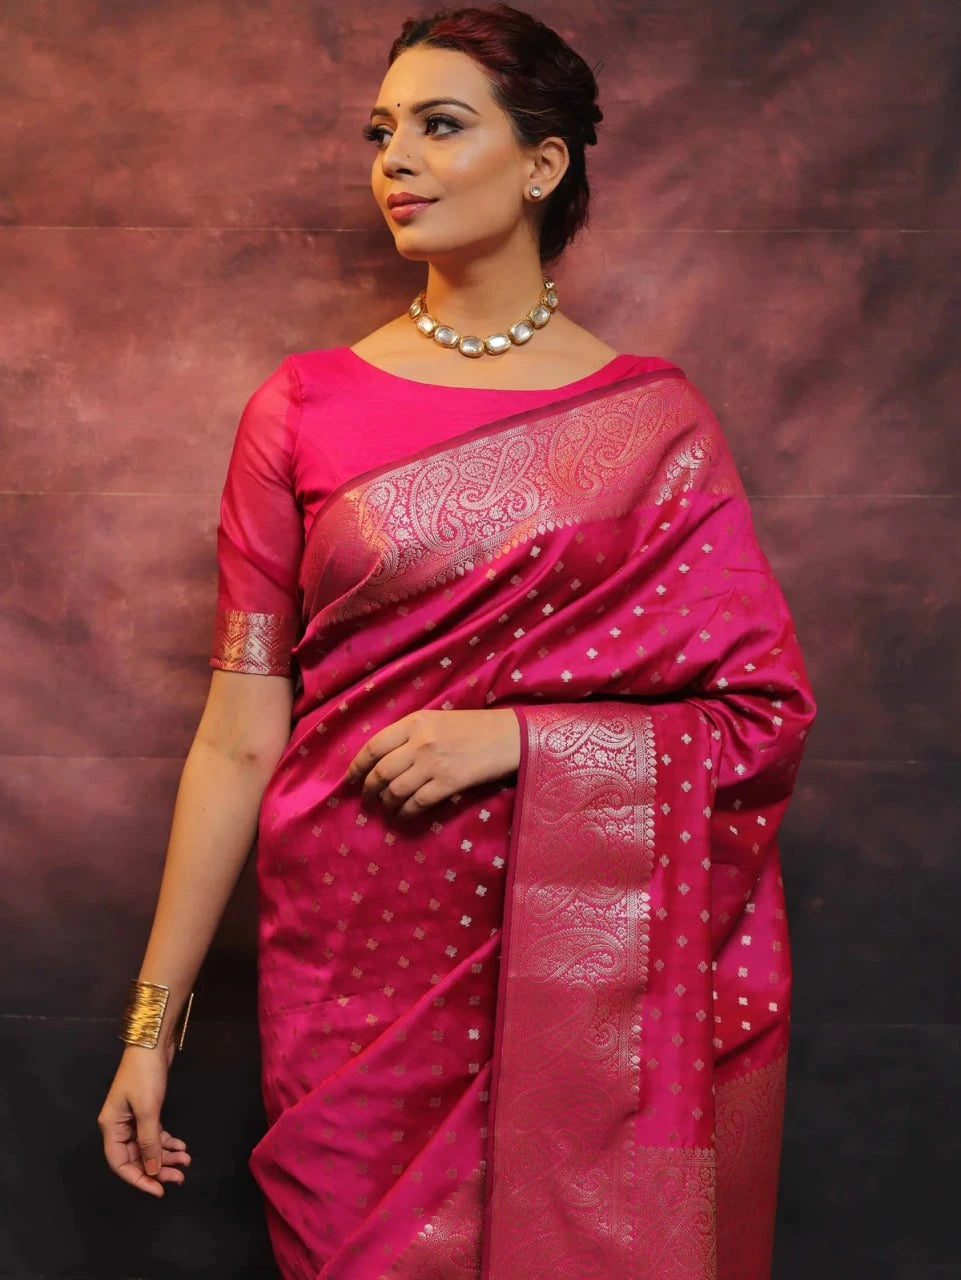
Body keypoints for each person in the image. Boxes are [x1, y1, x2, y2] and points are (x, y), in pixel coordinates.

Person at [97, 5, 816, 1277]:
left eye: (440, 126)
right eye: (382, 132)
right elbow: (234, 734)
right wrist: (151, 1026)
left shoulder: (655, 422)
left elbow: (759, 713)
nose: (396, 161)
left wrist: (522, 741)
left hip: (576, 988)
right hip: (349, 974)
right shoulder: (302, 406)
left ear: (542, 164)